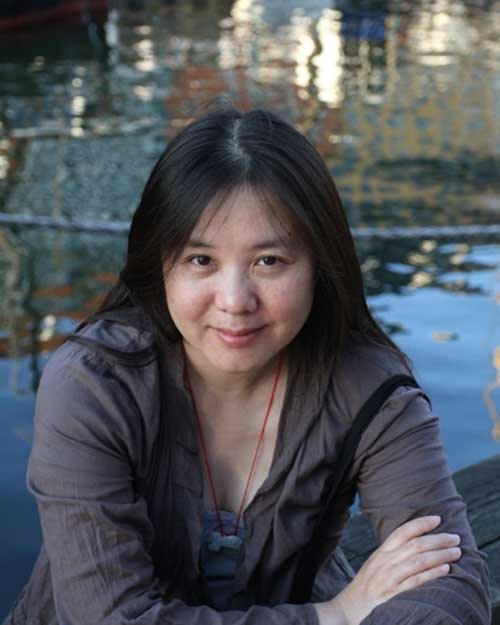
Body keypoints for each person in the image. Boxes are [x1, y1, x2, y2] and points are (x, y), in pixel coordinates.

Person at [3, 105, 491, 625]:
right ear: (160, 264)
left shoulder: (369, 389)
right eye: (201, 261)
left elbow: (451, 582)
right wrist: (332, 616)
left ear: (319, 266)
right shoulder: (94, 386)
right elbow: (111, 619)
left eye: (269, 261)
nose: (235, 300)